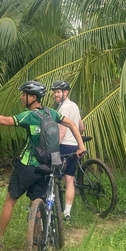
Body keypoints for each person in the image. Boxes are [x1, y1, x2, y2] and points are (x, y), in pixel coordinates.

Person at [0, 80, 86, 245]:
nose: (21, 98)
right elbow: (71, 123)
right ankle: (35, 241)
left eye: (24, 95)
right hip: (46, 166)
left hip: (27, 166)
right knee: (37, 204)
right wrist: (81, 146)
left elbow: (5, 121)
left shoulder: (29, 115)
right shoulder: (51, 113)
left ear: (33, 97)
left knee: (10, 199)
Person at [50, 80, 83, 222]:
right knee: (69, 179)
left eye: (58, 92)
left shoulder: (63, 108)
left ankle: (50, 206)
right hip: (75, 147)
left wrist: (53, 147)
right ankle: (67, 213)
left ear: (66, 92)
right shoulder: (74, 106)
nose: (55, 95)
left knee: (52, 175)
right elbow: (81, 126)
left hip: (64, 147)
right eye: (54, 92)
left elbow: (62, 132)